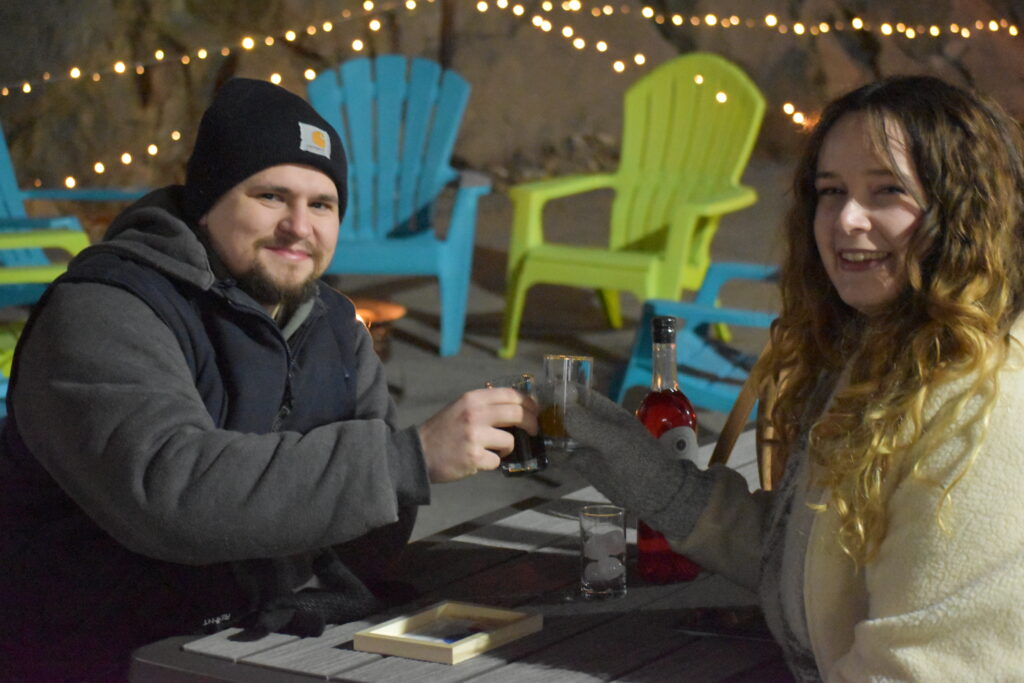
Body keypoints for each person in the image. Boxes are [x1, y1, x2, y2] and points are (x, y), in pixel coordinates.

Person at [0, 78, 538, 681]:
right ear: (207, 200)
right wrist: (405, 461)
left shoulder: (336, 325)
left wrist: (429, 465)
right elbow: (170, 492)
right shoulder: (108, 310)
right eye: (271, 197)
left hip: (261, 636)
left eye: (322, 205)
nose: (297, 226)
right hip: (97, 649)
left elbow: (370, 540)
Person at [566, 75, 1024, 680]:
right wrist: (623, 455)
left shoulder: (986, 404)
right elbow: (812, 568)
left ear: (963, 212)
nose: (847, 220)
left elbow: (929, 668)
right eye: (831, 191)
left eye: (887, 190)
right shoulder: (881, 349)